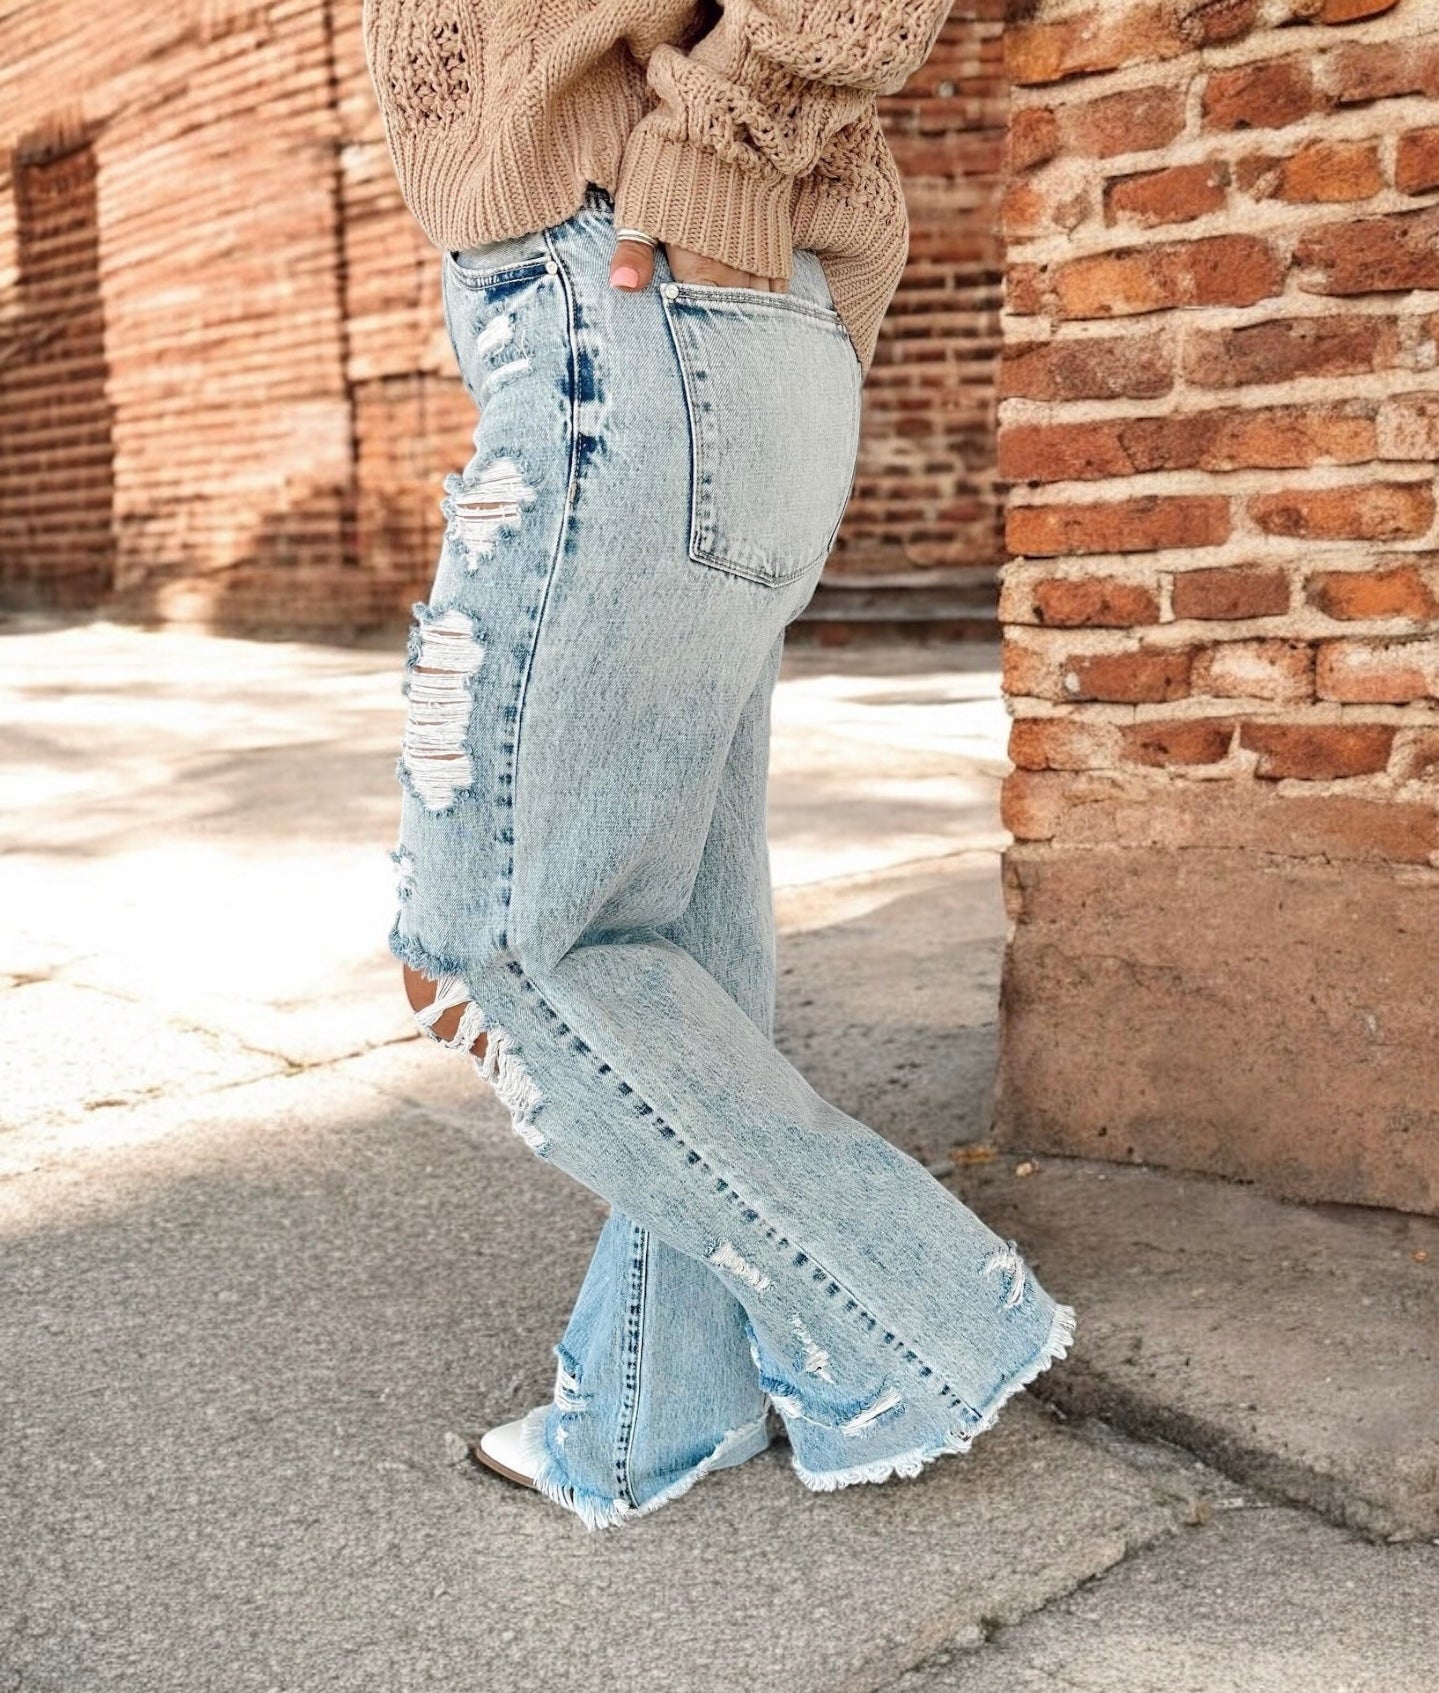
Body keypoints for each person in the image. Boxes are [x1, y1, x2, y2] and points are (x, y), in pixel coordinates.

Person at [363, 0, 1075, 1529]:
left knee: (498, 936)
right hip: (713, 324)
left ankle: (916, 1320)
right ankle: (658, 1400)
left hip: (636, 306)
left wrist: (714, 159)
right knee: (667, 931)